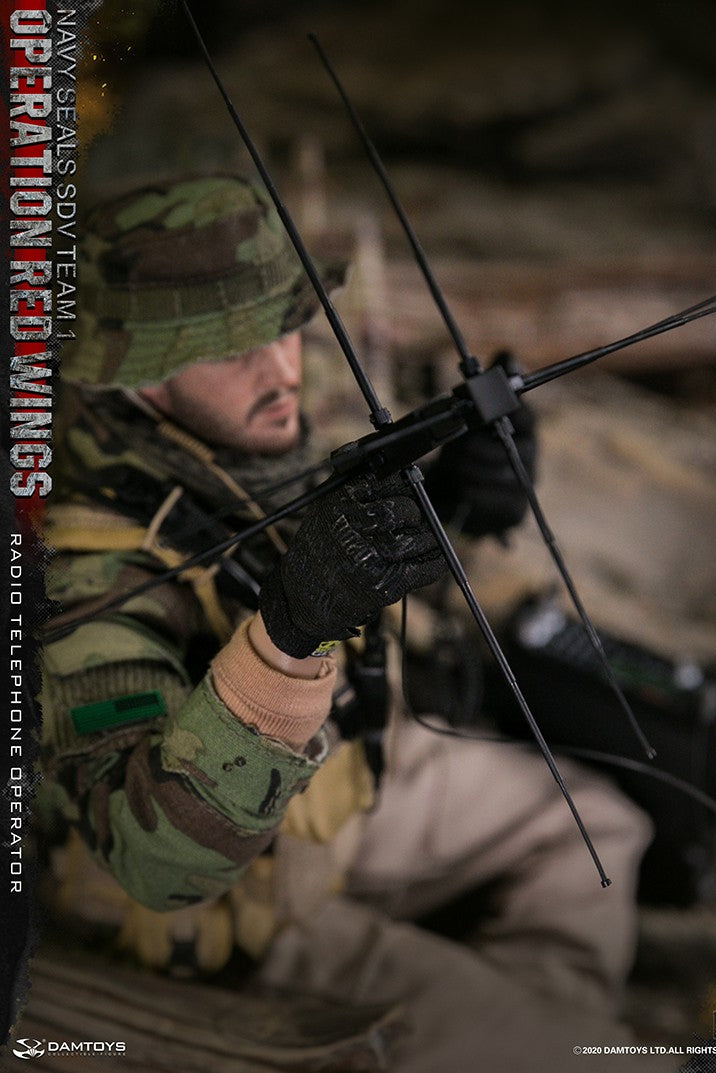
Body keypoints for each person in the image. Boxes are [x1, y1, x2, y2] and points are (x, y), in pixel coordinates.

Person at [38, 174, 672, 1072]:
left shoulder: (244, 439)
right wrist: (287, 637)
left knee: (597, 825)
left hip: (348, 787)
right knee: (592, 1055)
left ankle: (529, 1032)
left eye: (283, 325)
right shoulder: (85, 576)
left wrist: (455, 503)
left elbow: (347, 552)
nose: (280, 369)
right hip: (244, 913)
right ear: (139, 379)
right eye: (229, 349)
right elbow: (156, 860)